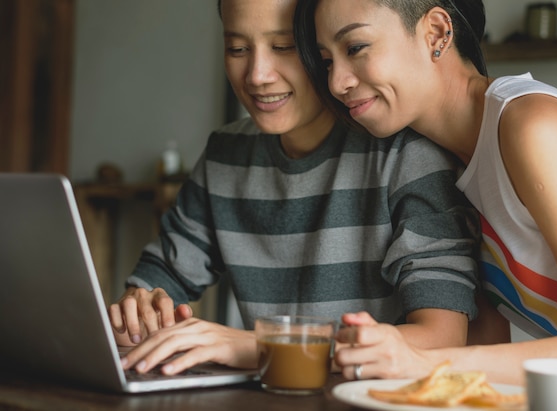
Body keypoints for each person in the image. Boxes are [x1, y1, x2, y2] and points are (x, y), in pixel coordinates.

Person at [109, 0, 482, 379]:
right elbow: (158, 281)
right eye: (237, 49)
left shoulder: (405, 151)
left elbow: (440, 338)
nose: (257, 75)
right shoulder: (226, 155)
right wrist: (140, 307)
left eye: (284, 46)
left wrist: (254, 347)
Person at [294, 0, 557, 385]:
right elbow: (484, 352)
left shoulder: (534, 129)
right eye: (327, 61)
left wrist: (417, 361)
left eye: (355, 48)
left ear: (436, 33)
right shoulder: (448, 166)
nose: (337, 83)